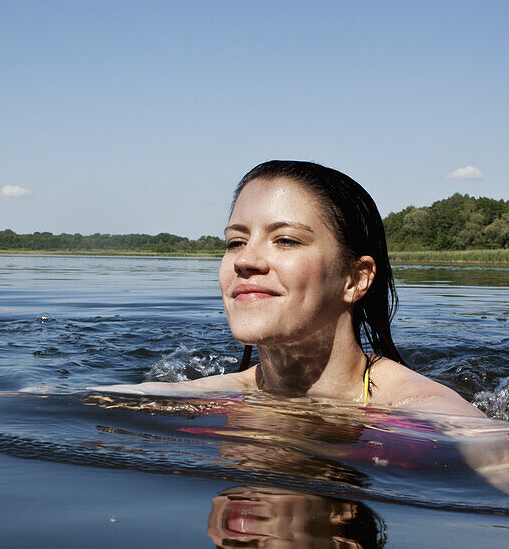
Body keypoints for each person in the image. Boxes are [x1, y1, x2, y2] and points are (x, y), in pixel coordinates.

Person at [105, 160, 483, 417]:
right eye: (235, 242)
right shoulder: (217, 394)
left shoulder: (424, 408)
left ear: (355, 279)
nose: (245, 260)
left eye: (285, 240)